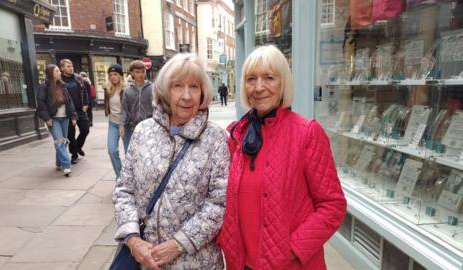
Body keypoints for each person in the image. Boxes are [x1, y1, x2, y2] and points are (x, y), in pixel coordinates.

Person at [218, 45, 347, 270]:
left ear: (283, 83)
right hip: (242, 263)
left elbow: (333, 205)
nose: (259, 87)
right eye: (251, 79)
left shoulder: (306, 132)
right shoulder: (237, 135)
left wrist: (292, 250)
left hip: (290, 264)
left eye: (269, 78)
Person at [113, 53, 229, 269]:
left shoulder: (216, 138)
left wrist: (178, 244)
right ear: (165, 91)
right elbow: (124, 190)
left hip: (196, 262)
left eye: (194, 87)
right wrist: (133, 239)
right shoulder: (142, 131)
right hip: (144, 261)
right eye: (178, 86)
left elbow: (219, 203)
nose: (186, 96)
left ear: (203, 92)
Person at [37, 64, 78, 177]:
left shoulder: (62, 85)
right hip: (53, 119)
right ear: (51, 73)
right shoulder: (44, 86)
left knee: (62, 141)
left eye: (59, 71)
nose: (59, 73)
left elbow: (69, 102)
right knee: (60, 141)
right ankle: (66, 165)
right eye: (57, 71)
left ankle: (59, 162)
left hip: (64, 118)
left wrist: (73, 116)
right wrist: (47, 118)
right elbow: (41, 103)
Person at [60, 59, 90, 164]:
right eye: (68, 66)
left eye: (71, 65)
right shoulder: (59, 80)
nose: (71, 68)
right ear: (62, 68)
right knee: (70, 134)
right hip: (68, 111)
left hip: (80, 109)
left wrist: (86, 104)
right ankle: (74, 154)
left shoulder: (78, 77)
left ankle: (78, 146)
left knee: (85, 129)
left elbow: (84, 91)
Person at [120, 60, 153, 152]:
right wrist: (121, 125)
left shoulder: (152, 88)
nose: (141, 74)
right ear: (132, 73)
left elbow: (157, 107)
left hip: (148, 127)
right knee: (132, 153)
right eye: (137, 72)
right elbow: (124, 109)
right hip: (132, 127)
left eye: (143, 72)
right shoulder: (127, 90)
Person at [104, 64, 125, 179]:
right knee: (112, 151)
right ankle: (120, 177)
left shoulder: (126, 89)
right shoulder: (108, 89)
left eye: (115, 74)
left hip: (126, 125)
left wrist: (123, 124)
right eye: (111, 75)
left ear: (120, 76)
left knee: (129, 154)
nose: (113, 77)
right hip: (112, 123)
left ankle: (131, 178)